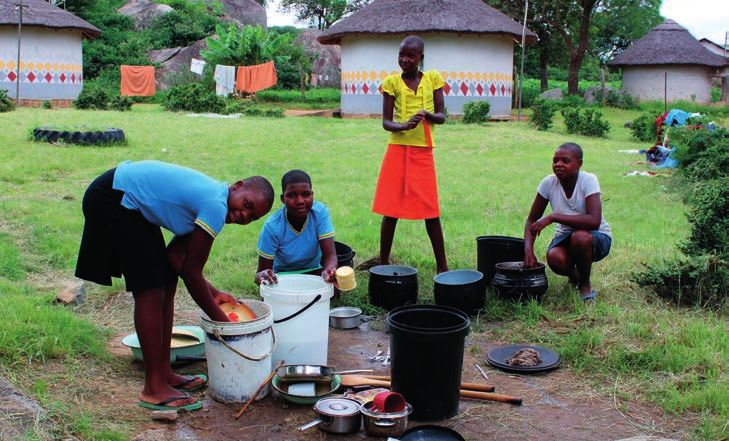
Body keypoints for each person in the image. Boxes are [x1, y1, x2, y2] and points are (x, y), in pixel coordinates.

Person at [74, 160, 274, 411]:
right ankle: (153, 388)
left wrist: (216, 293)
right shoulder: (214, 205)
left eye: (251, 217)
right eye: (247, 205)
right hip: (113, 197)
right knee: (150, 290)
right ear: (237, 186)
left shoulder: (213, 202)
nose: (245, 215)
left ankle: (164, 373)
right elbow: (191, 273)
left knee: (166, 280)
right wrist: (223, 323)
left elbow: (176, 258)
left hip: (126, 200)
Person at [372, 35, 449, 273]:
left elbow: (442, 116)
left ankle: (443, 268)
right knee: (390, 209)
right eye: (401, 55)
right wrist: (404, 126)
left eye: (410, 56)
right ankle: (382, 265)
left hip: (423, 151)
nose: (404, 60)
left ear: (421, 58)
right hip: (396, 150)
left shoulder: (433, 79)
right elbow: (386, 122)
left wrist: (427, 114)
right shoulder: (391, 82)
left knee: (430, 210)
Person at [523, 143, 612, 304]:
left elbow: (594, 221)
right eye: (555, 161)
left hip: (596, 237)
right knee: (554, 257)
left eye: (565, 161)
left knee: (580, 237)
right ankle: (576, 278)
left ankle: (585, 285)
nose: (558, 165)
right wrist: (528, 250)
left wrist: (554, 217)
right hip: (565, 237)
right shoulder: (549, 183)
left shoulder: (588, 180)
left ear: (579, 163)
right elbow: (531, 220)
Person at [254, 169, 338, 287]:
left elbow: (330, 255)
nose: (300, 201)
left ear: (312, 194)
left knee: (333, 286)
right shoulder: (273, 226)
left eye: (306, 195)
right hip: (282, 276)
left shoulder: (320, 213)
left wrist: (329, 270)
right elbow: (260, 274)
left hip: (313, 271)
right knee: (275, 298)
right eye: (292, 195)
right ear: (283, 198)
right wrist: (263, 277)